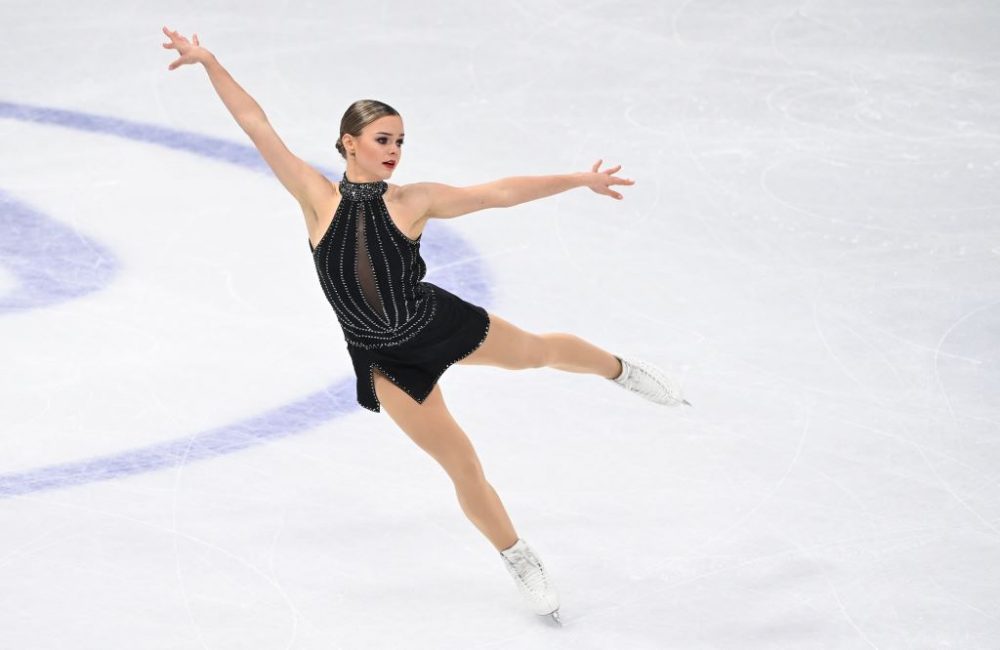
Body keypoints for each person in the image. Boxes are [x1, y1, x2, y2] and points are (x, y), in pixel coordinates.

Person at [161, 25, 690, 625]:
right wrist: (209, 62)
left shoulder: (412, 201)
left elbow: (498, 193)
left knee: (539, 352)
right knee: (463, 465)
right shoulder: (315, 197)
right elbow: (256, 122)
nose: (394, 150)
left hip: (435, 320)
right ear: (349, 142)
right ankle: (517, 556)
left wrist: (579, 179)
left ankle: (620, 370)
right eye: (383, 139)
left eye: (401, 142)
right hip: (385, 358)